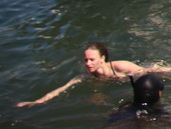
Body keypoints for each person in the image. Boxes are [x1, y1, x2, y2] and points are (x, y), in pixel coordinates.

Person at [16, 42, 147, 107]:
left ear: (102, 58)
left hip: (129, 80)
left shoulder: (120, 66)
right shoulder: (86, 77)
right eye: (86, 60)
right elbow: (61, 89)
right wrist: (36, 102)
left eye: (92, 60)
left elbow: (146, 72)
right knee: (95, 99)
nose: (88, 63)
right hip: (108, 85)